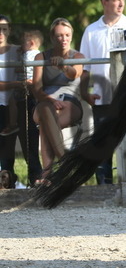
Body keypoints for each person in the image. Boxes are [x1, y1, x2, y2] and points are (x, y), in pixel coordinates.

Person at [80, 0, 126, 185]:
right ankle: (104, 185)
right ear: (104, 2)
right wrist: (85, 93)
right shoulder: (91, 31)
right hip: (101, 97)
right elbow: (84, 67)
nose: (121, 3)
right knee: (103, 143)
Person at [32, 18, 85, 185]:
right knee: (45, 110)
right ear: (52, 37)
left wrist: (63, 66)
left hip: (70, 102)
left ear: (71, 36)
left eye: (67, 35)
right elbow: (36, 89)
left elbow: (74, 74)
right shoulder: (41, 57)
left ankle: (47, 174)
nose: (64, 39)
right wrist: (50, 100)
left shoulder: (77, 56)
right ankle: (66, 165)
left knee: (45, 123)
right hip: (46, 103)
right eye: (60, 35)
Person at [2, 30, 44, 186]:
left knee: (30, 141)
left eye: (23, 41)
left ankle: (35, 176)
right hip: (19, 93)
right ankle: (12, 179)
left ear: (31, 43)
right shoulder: (27, 53)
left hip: (27, 94)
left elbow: (28, 70)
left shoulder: (32, 55)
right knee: (9, 149)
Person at [0, 14, 21, 181]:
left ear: (9, 31)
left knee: (8, 148)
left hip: (12, 105)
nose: (0, 33)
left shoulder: (17, 50)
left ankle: (7, 181)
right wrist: (16, 84)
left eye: (4, 29)